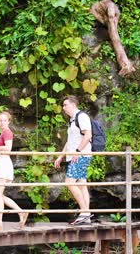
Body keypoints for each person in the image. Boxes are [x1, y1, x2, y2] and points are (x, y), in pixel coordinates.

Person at [0, 111, 28, 231]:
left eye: (4, 120)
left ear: (9, 121)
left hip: (3, 165)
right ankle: (21, 212)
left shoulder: (7, 133)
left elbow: (8, 149)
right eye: (0, 120)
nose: (2, 122)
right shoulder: (3, 133)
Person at [54, 96, 93, 225]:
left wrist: (78, 151)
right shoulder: (72, 120)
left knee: (69, 182)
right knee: (82, 184)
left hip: (81, 155)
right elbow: (69, 142)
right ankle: (86, 215)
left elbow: (88, 135)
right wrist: (61, 156)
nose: (63, 108)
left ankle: (85, 212)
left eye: (65, 105)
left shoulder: (81, 117)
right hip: (76, 155)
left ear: (73, 105)